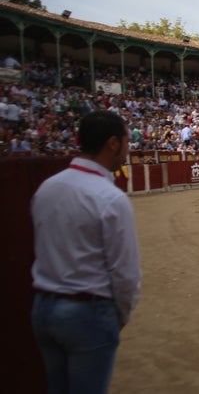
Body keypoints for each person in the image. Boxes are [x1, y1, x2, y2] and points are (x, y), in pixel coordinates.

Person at [30, 110, 142, 393]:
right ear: (113, 143)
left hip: (43, 308)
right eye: (128, 141)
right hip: (87, 312)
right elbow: (125, 275)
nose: (129, 149)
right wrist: (117, 317)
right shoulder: (111, 198)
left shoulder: (47, 188)